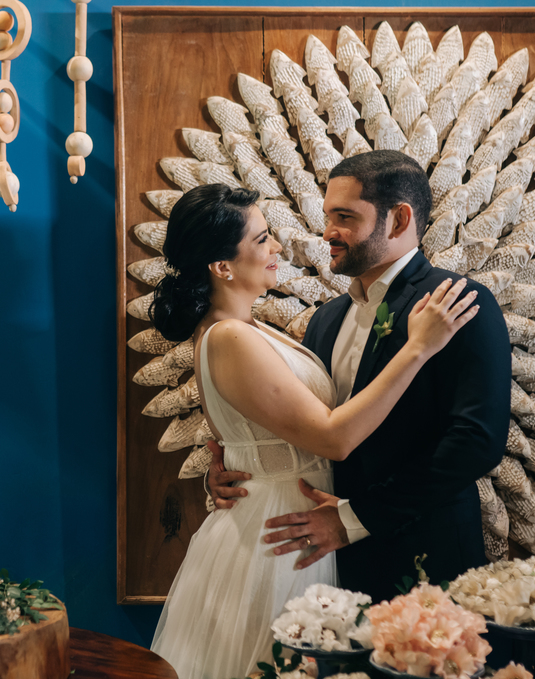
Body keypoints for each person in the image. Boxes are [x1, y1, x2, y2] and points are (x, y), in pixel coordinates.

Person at [115, 181, 478, 679]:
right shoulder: (230, 336)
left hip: (288, 520)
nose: (278, 247)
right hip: (279, 538)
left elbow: (254, 430)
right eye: (263, 238)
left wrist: (231, 461)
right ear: (222, 265)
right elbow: (333, 438)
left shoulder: (249, 328)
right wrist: (418, 348)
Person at [208, 149, 511, 604]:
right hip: (323, 562)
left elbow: (476, 442)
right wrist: (234, 468)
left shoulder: (457, 303)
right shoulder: (326, 319)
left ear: (399, 220)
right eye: (328, 216)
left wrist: (355, 520)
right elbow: (303, 423)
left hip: (423, 557)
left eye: (345, 217)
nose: (327, 232)